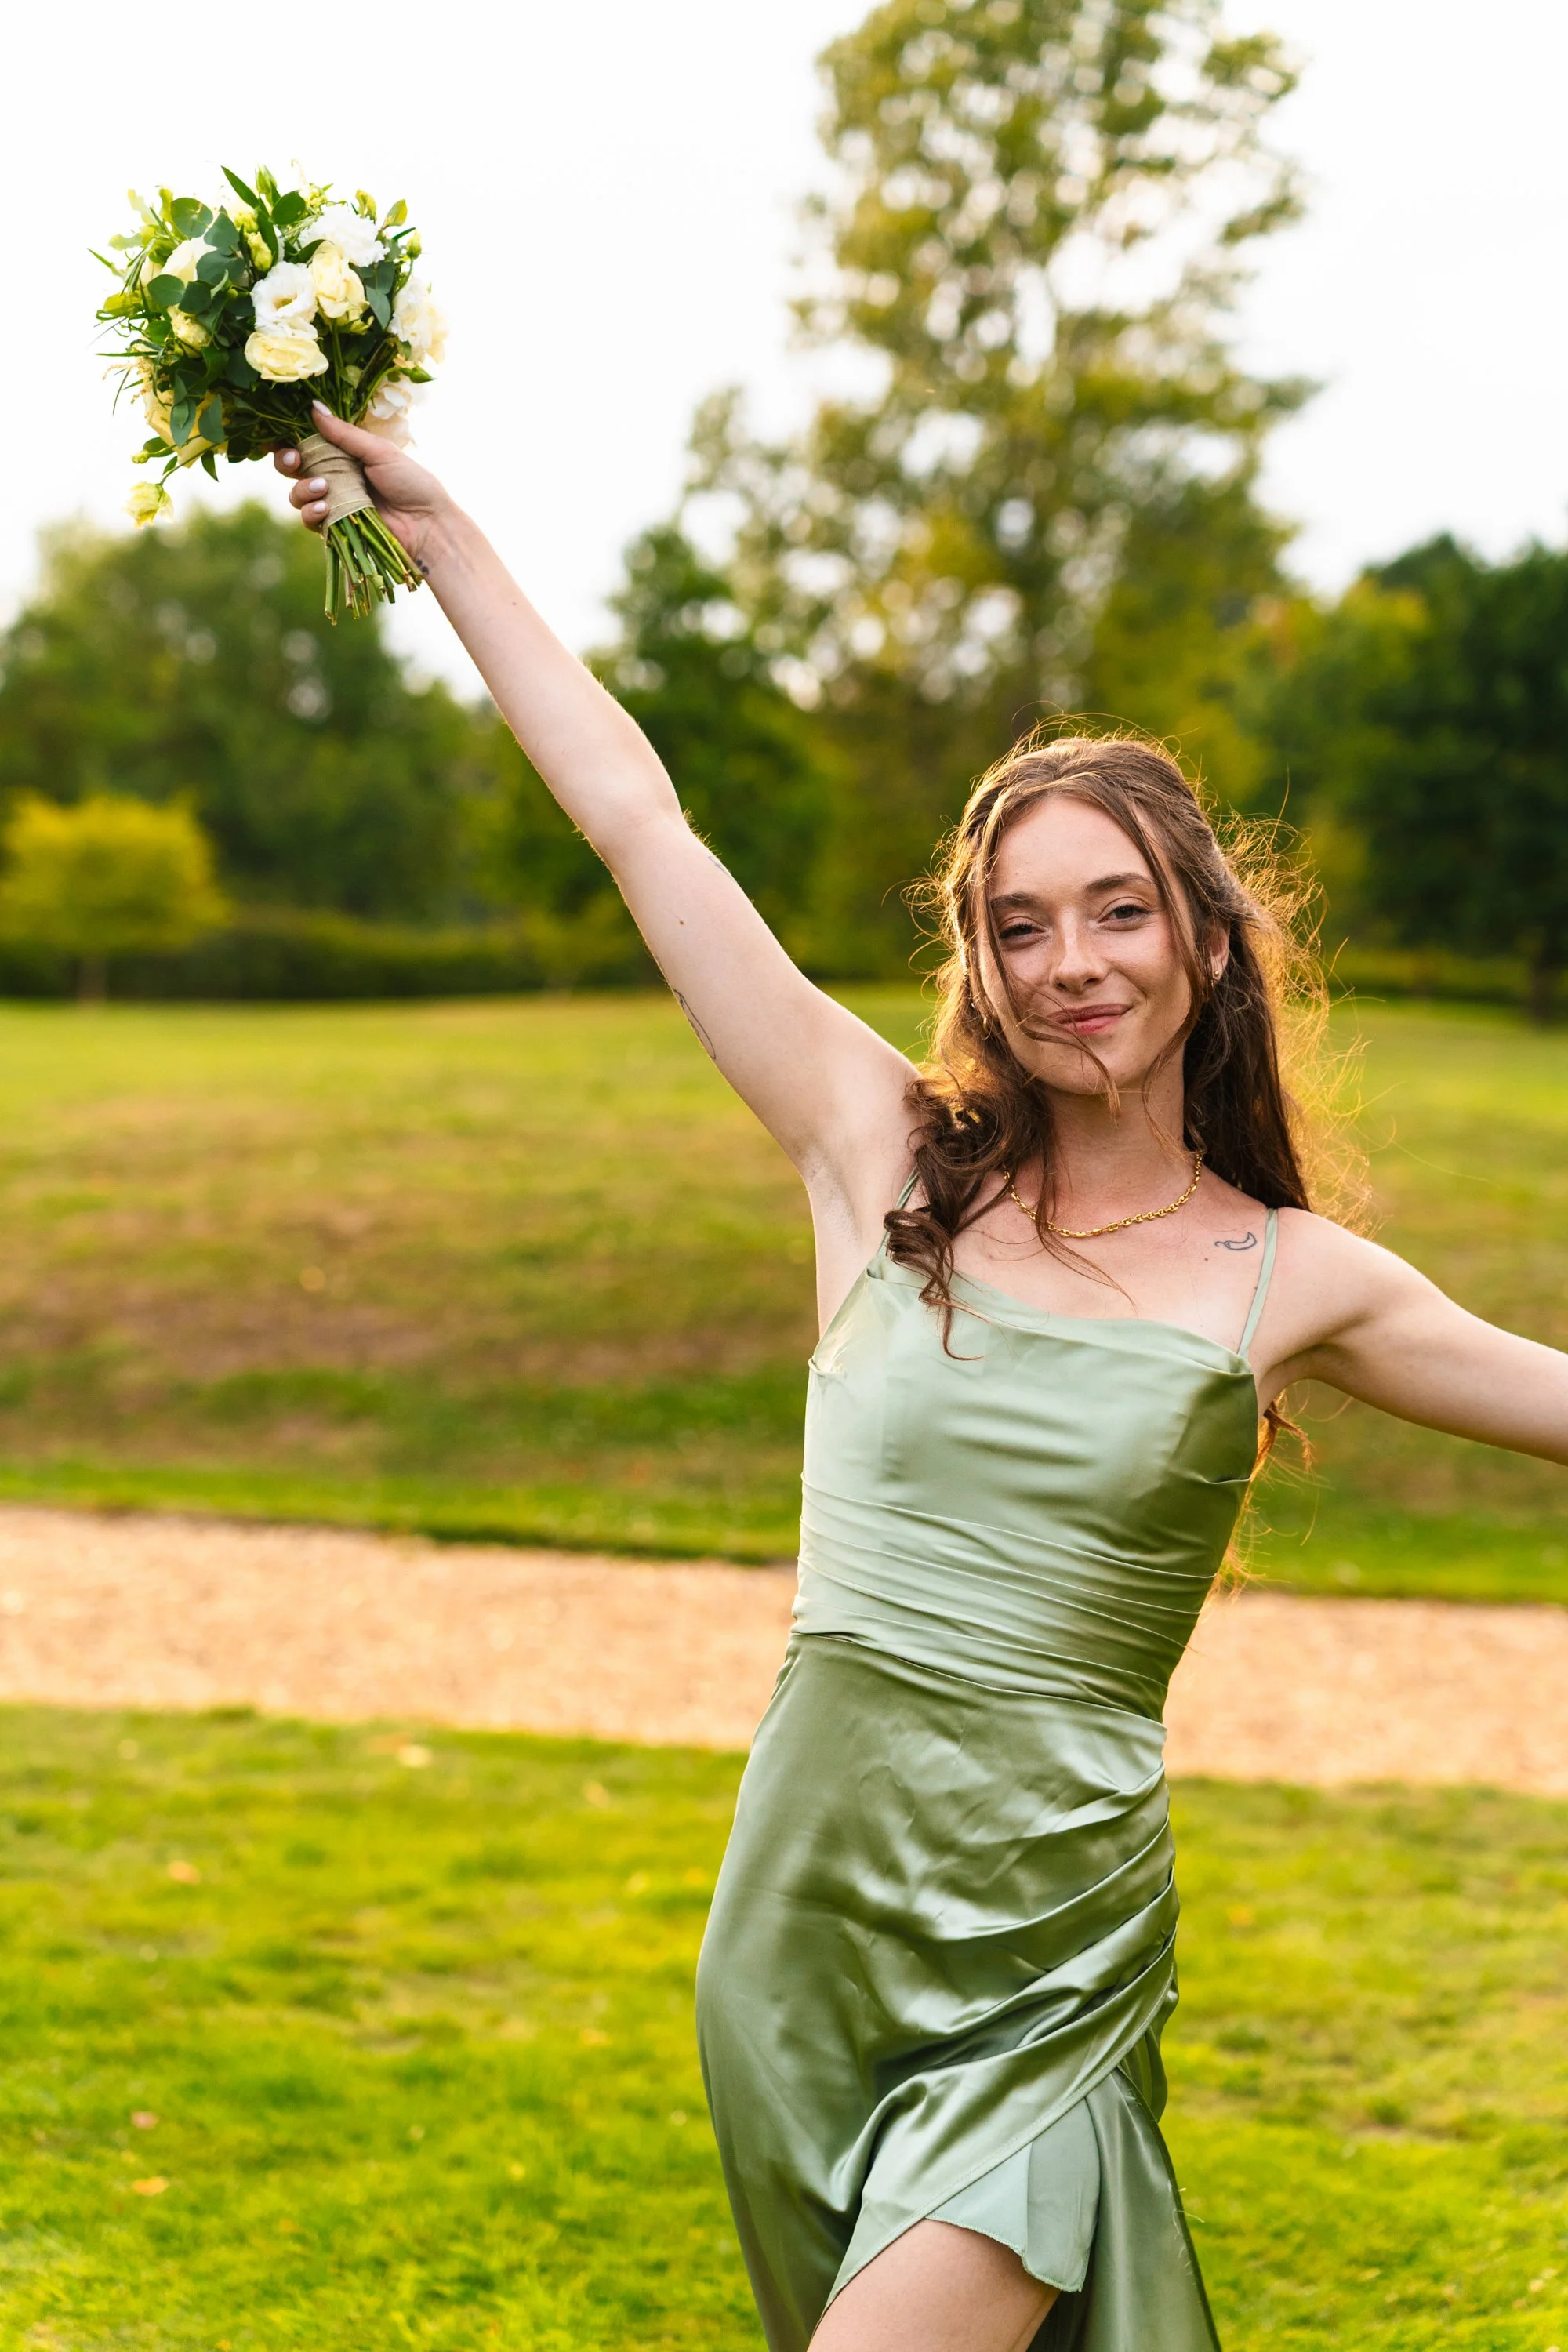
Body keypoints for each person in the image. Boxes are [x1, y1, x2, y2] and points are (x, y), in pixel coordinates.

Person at [277, 408, 1568, 2352]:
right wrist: (441, 526)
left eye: (1118, 910)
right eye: (1018, 922)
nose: (1072, 964)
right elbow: (639, 821)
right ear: (972, 958)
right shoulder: (876, 1158)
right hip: (800, 1929)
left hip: (1045, 1958)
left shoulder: (1296, 1278)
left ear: (1210, 944)